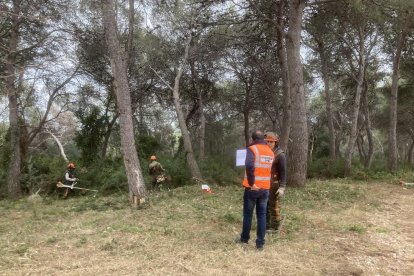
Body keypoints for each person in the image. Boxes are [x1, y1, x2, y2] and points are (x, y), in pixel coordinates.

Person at [237, 130, 274, 250]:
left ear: (253, 139)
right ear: (263, 138)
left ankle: (244, 239)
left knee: (248, 214)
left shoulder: (252, 149)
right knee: (262, 215)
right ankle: (260, 243)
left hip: (252, 188)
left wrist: (252, 183)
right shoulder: (270, 151)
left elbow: (249, 165)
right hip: (265, 189)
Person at [264, 132, 287, 232]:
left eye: (271, 142)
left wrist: (282, 187)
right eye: (267, 141)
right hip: (264, 183)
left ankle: (275, 227)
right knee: (264, 205)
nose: (269, 143)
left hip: (274, 184)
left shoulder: (280, 155)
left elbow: (283, 172)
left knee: (273, 205)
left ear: (275, 142)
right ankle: (266, 225)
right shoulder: (264, 152)